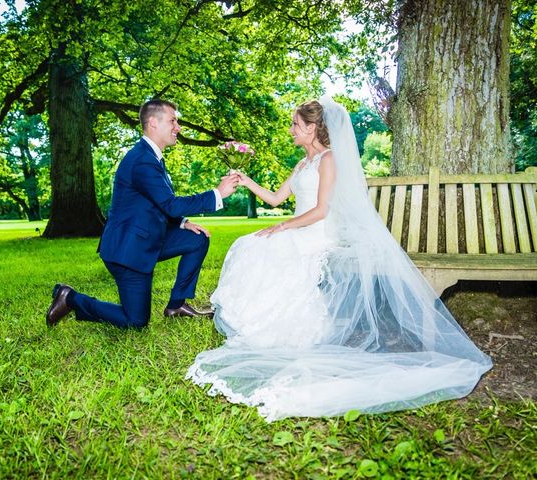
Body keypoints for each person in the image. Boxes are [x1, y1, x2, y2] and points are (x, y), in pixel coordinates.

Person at [186, 96, 492, 421]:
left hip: (318, 231)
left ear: (312, 127)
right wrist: (248, 183)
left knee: (269, 245)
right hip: (300, 228)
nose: (291, 130)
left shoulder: (329, 160)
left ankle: (274, 322)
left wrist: (284, 227)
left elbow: (321, 211)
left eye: (295, 125)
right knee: (250, 244)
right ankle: (255, 319)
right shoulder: (303, 163)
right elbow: (276, 199)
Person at [46, 99, 239, 329]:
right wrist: (217, 193)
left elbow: (154, 204)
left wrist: (182, 223)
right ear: (153, 123)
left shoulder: (152, 157)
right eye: (173, 121)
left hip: (147, 239)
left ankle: (176, 305)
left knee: (197, 238)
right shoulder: (142, 161)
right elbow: (169, 203)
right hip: (128, 251)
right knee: (135, 321)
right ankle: (70, 298)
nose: (178, 127)